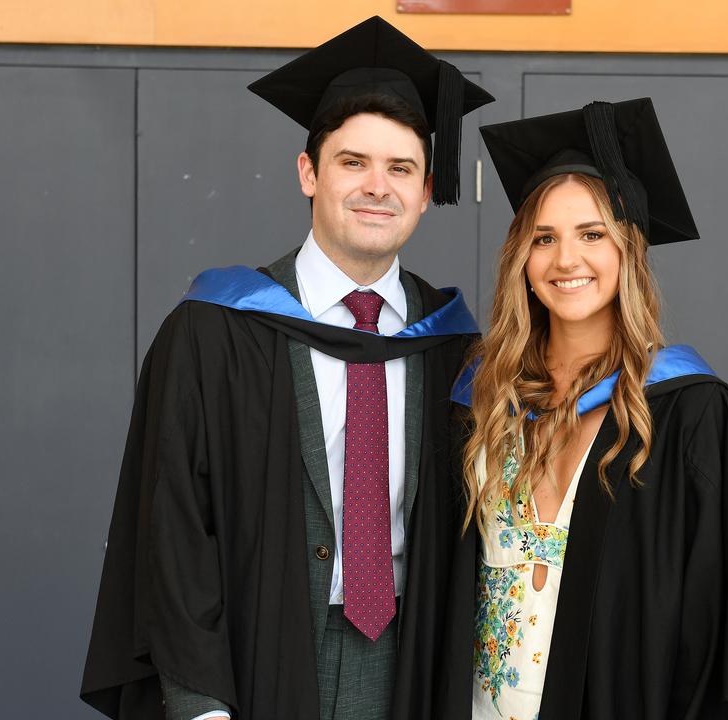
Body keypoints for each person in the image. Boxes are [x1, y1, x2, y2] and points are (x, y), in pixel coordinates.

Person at [80, 16, 494, 720]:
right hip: (252, 667)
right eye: (352, 162)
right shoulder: (216, 330)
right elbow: (173, 532)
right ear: (308, 172)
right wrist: (202, 706)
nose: (377, 186)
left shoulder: (454, 348)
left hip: (410, 673)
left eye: (401, 169)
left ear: (427, 190)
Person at [445, 99, 728, 719]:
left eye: (592, 235)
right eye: (544, 238)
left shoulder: (693, 418)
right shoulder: (480, 404)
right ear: (521, 260)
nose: (566, 260)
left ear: (629, 251)